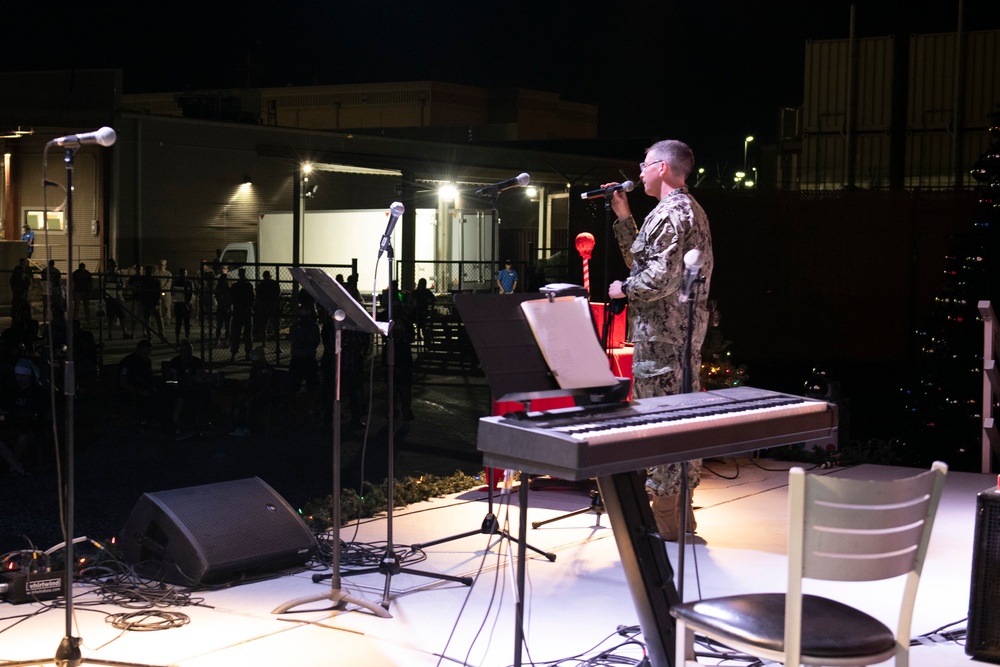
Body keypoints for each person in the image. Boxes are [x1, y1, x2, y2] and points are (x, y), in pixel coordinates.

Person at [606, 139, 714, 542]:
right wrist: (623, 217)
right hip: (676, 337)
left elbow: (655, 277)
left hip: (664, 341)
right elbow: (649, 262)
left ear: (664, 168)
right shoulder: (686, 211)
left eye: (646, 163)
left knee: (663, 424)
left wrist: (623, 290)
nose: (640, 168)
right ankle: (677, 521)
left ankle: (667, 523)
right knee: (677, 423)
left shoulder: (671, 214)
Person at [229, 267, 255, 360]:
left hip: (238, 311)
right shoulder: (248, 286)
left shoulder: (235, 286)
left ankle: (234, 353)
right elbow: (252, 298)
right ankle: (247, 353)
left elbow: (231, 298)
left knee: (236, 334)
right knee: (247, 334)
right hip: (246, 311)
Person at [254, 270, 281, 347]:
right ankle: (277, 346)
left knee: (264, 327)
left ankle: (263, 344)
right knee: (275, 327)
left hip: (264, 307)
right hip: (272, 307)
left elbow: (258, 296)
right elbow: (277, 294)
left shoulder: (261, 285)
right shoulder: (274, 283)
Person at [171, 268, 194, 342]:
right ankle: (178, 338)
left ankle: (186, 337)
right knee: (179, 322)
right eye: (182, 273)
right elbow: (172, 292)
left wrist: (189, 302)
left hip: (185, 303)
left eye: (184, 273)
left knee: (185, 322)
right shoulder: (178, 282)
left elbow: (191, 293)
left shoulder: (188, 282)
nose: (183, 275)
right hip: (179, 303)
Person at [10, 257, 33, 324]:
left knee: (20, 305)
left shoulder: (22, 271)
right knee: (19, 305)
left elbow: (29, 281)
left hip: (21, 291)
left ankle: (18, 319)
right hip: (19, 292)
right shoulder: (19, 270)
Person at [214, 271, 232, 345]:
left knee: (226, 326)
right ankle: (219, 339)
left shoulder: (227, 289)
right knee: (220, 325)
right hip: (223, 308)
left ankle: (225, 340)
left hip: (225, 308)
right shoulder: (223, 289)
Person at [154, 259, 173, 326]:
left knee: (166, 306)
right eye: (160, 265)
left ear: (165, 266)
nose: (161, 266)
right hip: (158, 292)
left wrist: (163, 288)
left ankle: (167, 320)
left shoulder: (168, 274)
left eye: (162, 265)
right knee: (158, 306)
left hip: (166, 292)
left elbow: (169, 283)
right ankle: (159, 320)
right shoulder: (156, 273)